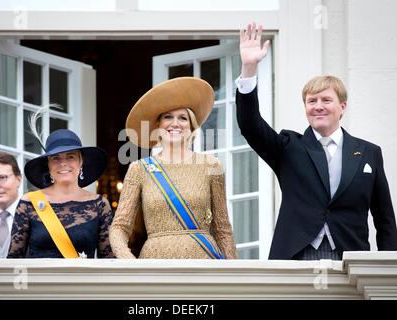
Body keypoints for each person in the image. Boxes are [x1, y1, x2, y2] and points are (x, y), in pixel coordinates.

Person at [235, 22, 397, 260]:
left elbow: (385, 219)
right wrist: (249, 69)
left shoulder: (368, 153)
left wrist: (389, 273)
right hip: (297, 258)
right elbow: (250, 125)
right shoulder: (288, 147)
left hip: (351, 261)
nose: (318, 106)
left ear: (342, 107)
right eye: (311, 101)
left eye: (326, 100)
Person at [109, 77, 237, 259]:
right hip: (155, 265)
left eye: (183, 118)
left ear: (192, 126)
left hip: (203, 264)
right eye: (168, 117)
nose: (175, 123)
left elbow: (223, 229)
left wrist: (232, 273)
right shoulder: (139, 169)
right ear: (158, 125)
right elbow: (119, 227)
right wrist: (131, 263)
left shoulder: (211, 165)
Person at [7, 128, 114, 258]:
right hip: (39, 278)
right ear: (48, 165)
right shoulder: (29, 202)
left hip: (83, 279)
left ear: (81, 162)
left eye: (71, 157)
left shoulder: (100, 205)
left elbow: (109, 261)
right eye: (56, 158)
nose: (63, 163)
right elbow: (14, 259)